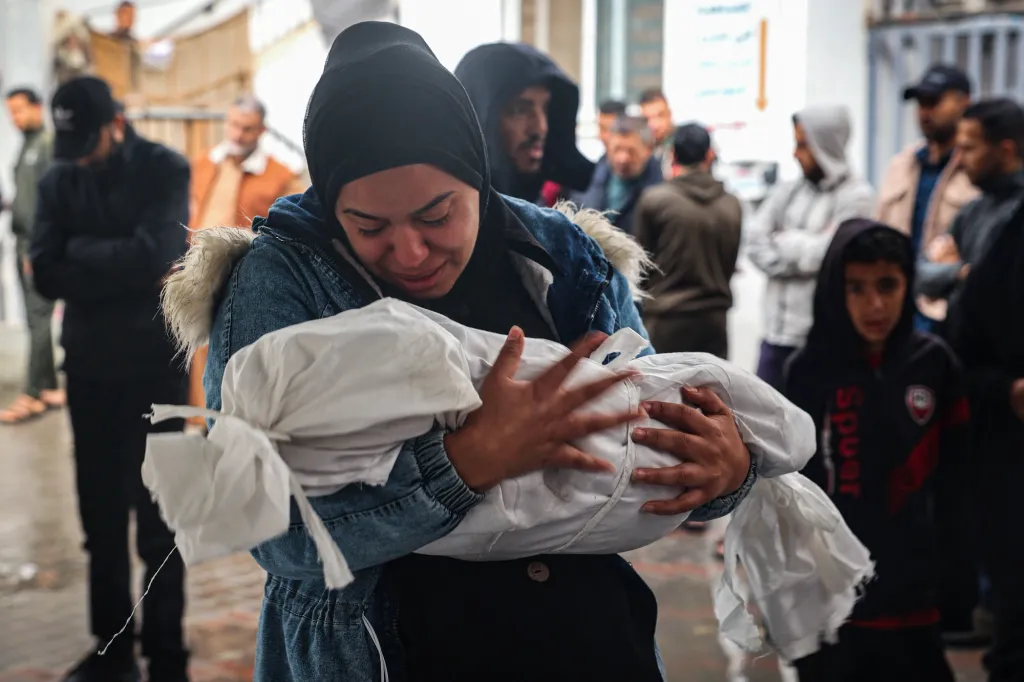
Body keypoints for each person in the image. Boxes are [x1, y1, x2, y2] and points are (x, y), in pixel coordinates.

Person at [162, 22, 756, 681]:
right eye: (370, 226)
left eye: (437, 214)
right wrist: (465, 463)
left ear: (475, 176)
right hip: (386, 653)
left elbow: (653, 429)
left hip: (586, 641)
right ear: (333, 208)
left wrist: (724, 472)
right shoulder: (279, 281)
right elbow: (267, 527)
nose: (411, 251)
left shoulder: (566, 257)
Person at [29, 76, 190, 682]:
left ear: (116, 123)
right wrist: (117, 257)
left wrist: (82, 254)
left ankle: (168, 657)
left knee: (159, 521)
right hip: (90, 368)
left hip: (156, 370)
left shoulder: (164, 169)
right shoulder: (57, 176)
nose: (82, 158)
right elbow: (44, 271)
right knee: (99, 521)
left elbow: (159, 258)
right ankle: (112, 651)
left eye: (89, 142)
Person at [785, 219, 966, 682]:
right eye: (857, 289)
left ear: (909, 284)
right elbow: (788, 489)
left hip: (915, 581)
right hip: (831, 587)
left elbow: (959, 477)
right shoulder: (808, 371)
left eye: (888, 285)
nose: (875, 305)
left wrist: (957, 568)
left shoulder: (934, 362)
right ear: (834, 292)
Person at [944, 100, 1024, 682]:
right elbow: (941, 280)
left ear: (1008, 147)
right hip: (994, 403)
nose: (960, 158)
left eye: (970, 146)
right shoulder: (976, 217)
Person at [186, 94, 306, 427]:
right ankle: (204, 423)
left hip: (247, 273)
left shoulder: (280, 175)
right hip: (199, 268)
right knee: (199, 347)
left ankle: (241, 424)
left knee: (240, 350)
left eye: (248, 129)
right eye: (234, 125)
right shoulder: (202, 164)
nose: (238, 135)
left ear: (262, 130)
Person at [747, 105, 875, 390]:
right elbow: (755, 241)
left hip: (821, 341)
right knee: (762, 428)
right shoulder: (789, 190)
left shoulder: (857, 197)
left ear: (825, 145)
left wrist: (785, 241)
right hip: (775, 339)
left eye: (803, 144)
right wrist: (808, 248)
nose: (795, 153)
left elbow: (834, 254)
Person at [875, 64, 977, 335]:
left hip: (949, 312)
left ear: (963, 102)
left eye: (933, 101)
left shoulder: (977, 170)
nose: (924, 111)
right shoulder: (901, 165)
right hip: (896, 308)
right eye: (920, 103)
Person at [633, 122, 742, 358]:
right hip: (715, 324)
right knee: (711, 393)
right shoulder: (732, 204)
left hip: (665, 322)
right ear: (709, 155)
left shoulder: (655, 200)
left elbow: (640, 267)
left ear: (673, 155)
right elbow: (730, 265)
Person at [454, 42, 594, 204]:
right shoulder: (446, 214)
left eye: (547, 109)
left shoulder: (550, 215)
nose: (541, 128)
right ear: (478, 116)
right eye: (518, 110)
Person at [1, 87, 61, 425]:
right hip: (22, 241)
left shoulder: (47, 145)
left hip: (36, 246)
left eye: (21, 110)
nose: (15, 117)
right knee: (32, 318)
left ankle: (32, 393)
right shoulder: (26, 146)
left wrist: (40, 247)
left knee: (39, 318)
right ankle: (49, 385)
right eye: (11, 111)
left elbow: (50, 202)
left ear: (38, 108)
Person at [572, 115, 663, 233]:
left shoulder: (659, 194)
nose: (622, 159)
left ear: (648, 149)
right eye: (617, 149)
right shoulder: (587, 182)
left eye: (631, 151)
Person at [639, 88, 675, 179]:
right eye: (646, 119)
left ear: (669, 114)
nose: (654, 125)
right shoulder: (640, 147)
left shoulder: (684, 143)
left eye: (660, 116)